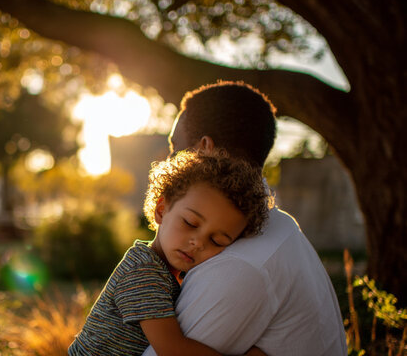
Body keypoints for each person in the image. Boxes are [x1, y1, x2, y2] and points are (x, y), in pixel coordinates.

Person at [143, 81, 347, 356]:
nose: (169, 160)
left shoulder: (240, 262)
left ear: (204, 149)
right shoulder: (281, 227)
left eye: (175, 148)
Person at [69, 149, 271, 355]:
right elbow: (172, 349)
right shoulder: (142, 271)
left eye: (216, 241)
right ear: (161, 210)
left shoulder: (173, 276)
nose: (198, 243)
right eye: (190, 223)